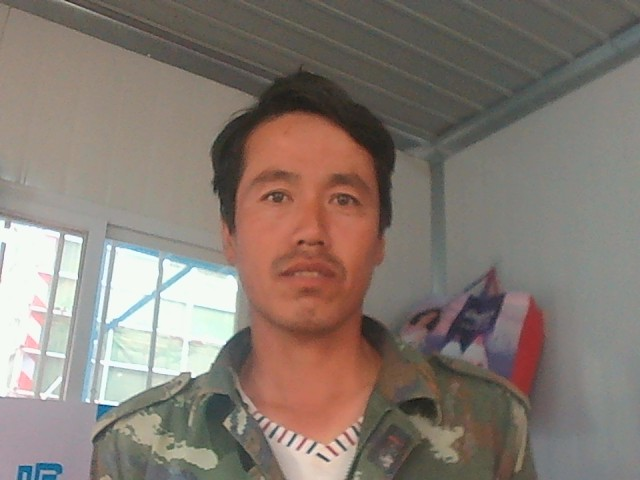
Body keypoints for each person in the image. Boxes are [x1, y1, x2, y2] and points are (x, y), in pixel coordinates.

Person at [91, 71, 537, 479]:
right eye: (277, 195)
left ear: (380, 239)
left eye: (343, 199)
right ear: (230, 235)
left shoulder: (491, 420)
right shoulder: (135, 448)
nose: (311, 231)